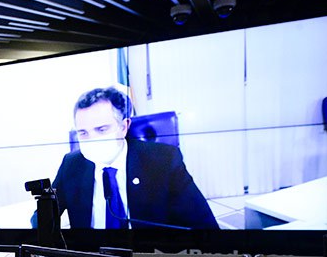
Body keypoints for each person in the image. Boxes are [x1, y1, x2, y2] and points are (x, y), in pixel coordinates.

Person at [42, 87, 218, 229]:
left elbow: (204, 224)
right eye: (83, 133)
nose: (92, 139)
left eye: (102, 130)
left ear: (123, 127)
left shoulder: (164, 160)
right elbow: (43, 217)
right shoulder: (71, 164)